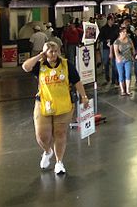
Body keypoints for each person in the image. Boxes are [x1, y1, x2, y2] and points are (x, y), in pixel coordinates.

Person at [21, 41, 89, 175]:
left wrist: (84, 96)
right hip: (43, 104)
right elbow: (25, 67)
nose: (53, 54)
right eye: (50, 51)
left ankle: (59, 162)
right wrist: (39, 56)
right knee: (42, 136)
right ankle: (47, 151)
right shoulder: (39, 65)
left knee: (60, 133)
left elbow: (77, 81)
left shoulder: (66, 64)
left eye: (55, 51)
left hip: (63, 104)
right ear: (45, 53)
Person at [113, 26, 135, 97]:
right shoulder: (117, 41)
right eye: (123, 32)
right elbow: (116, 52)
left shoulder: (129, 39)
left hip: (128, 59)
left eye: (126, 32)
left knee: (128, 74)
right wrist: (118, 58)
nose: (125, 33)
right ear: (120, 33)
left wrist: (134, 54)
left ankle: (128, 90)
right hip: (120, 60)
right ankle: (122, 90)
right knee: (121, 75)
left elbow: (132, 48)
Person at [98, 15, 119, 84]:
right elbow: (100, 38)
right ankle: (107, 77)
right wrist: (106, 40)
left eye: (113, 20)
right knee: (106, 62)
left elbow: (117, 35)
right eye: (112, 20)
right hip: (106, 47)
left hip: (114, 47)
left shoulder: (115, 27)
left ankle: (114, 79)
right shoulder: (103, 28)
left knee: (114, 64)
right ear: (109, 20)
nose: (113, 21)